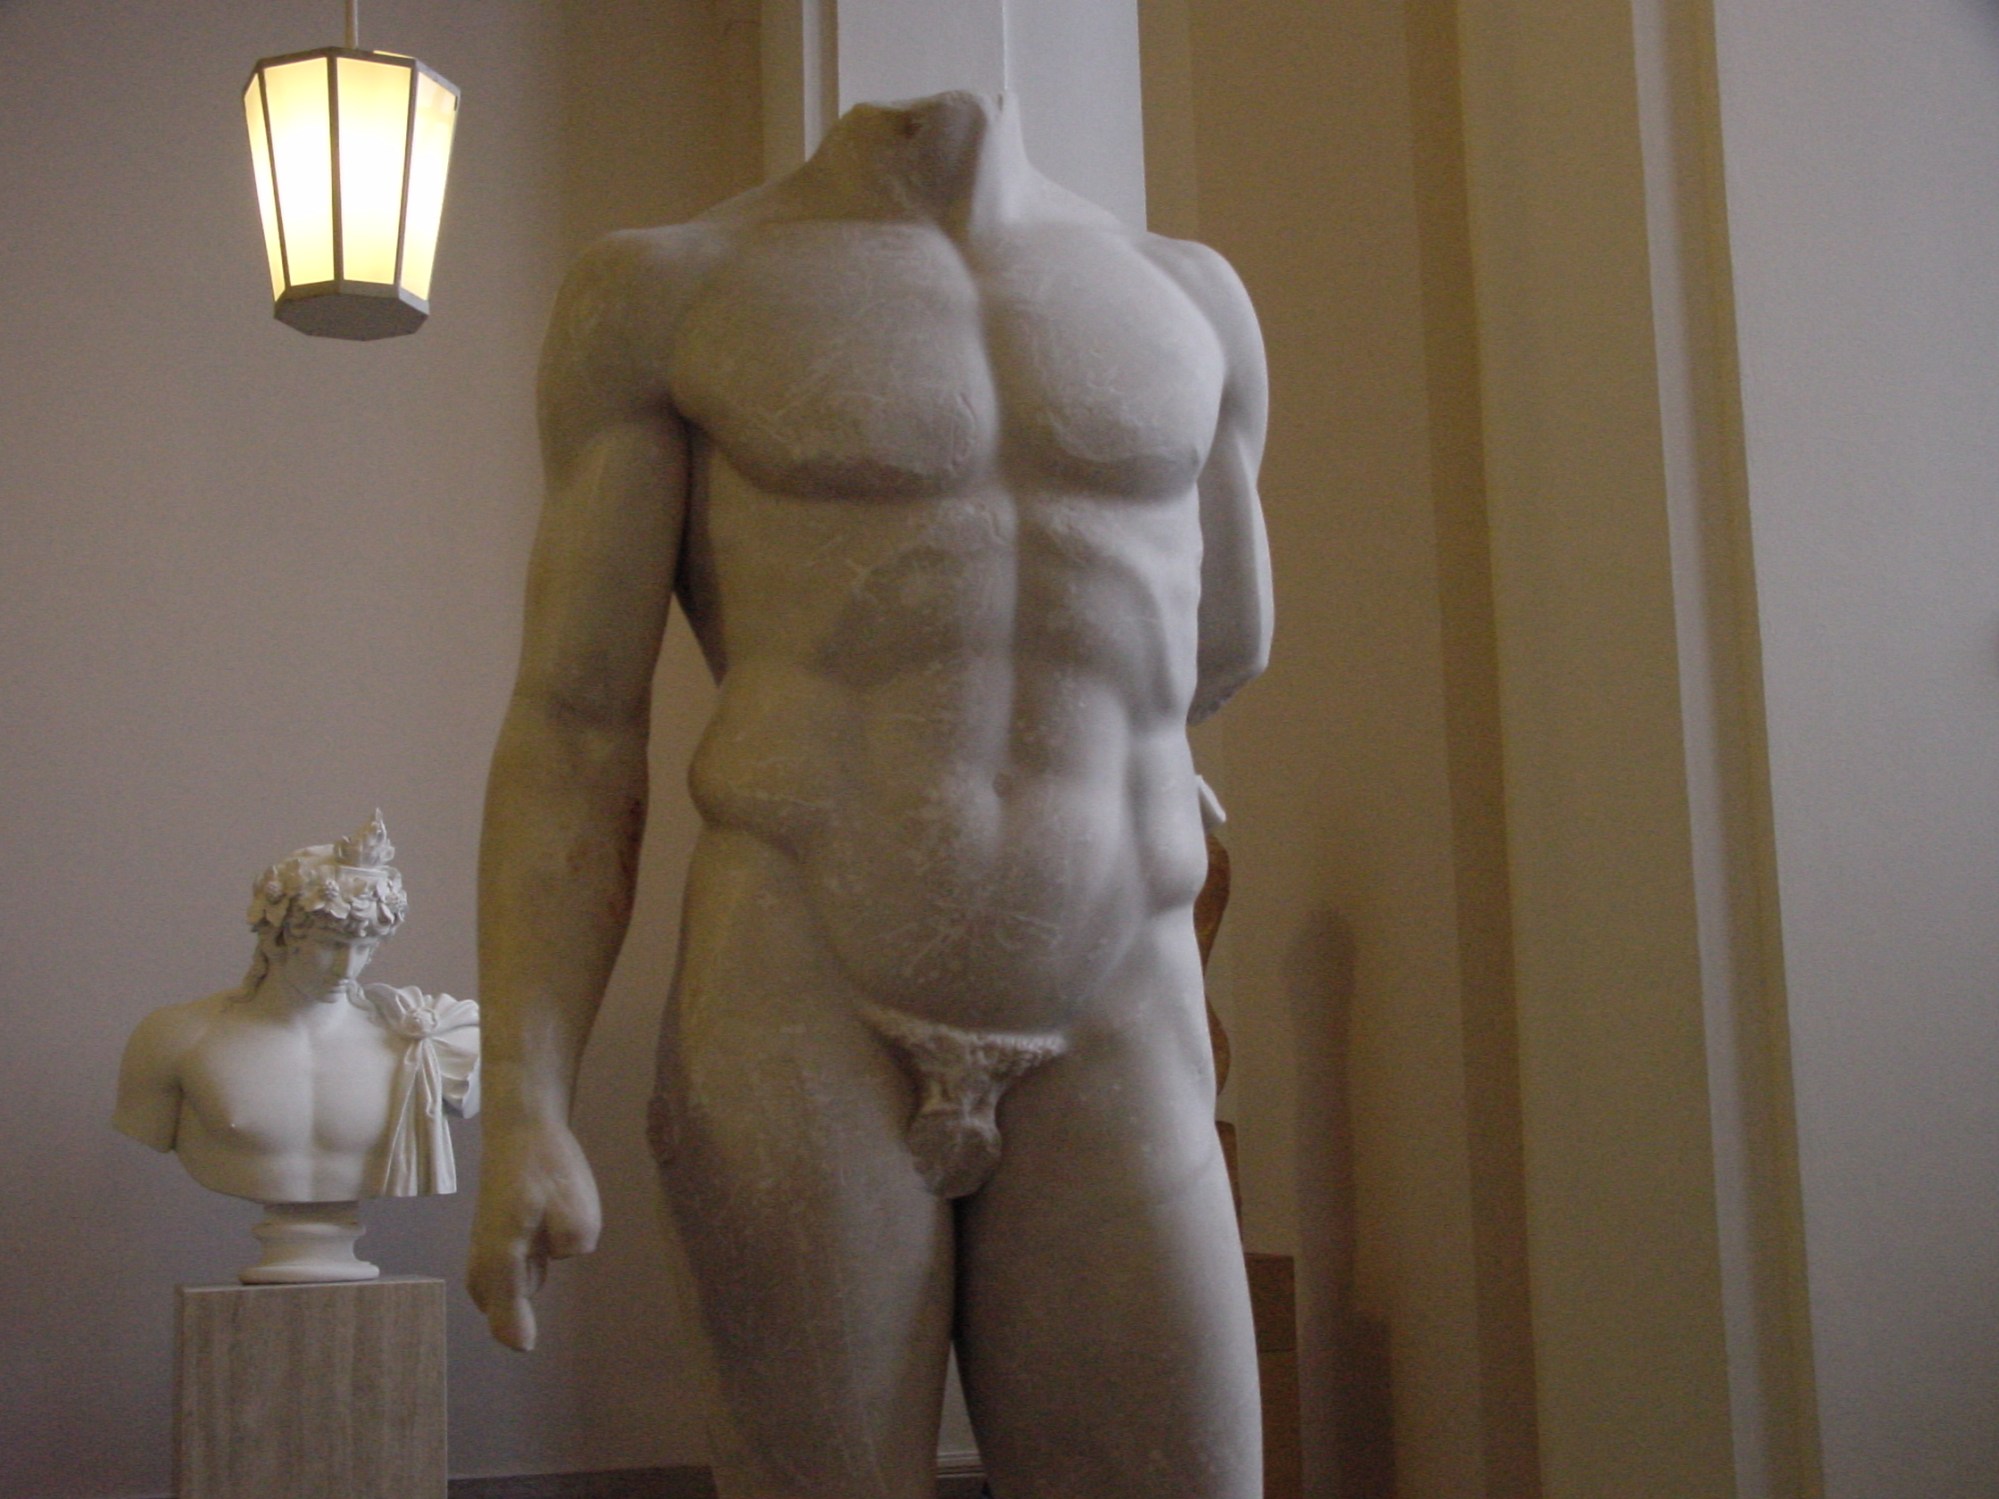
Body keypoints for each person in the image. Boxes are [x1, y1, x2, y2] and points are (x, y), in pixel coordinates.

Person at [469, 90, 1272, 1497]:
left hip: (1117, 1000)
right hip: (801, 992)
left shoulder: (1191, 299)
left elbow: (1222, 648)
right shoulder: (668, 290)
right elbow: (574, 724)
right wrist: (521, 1100)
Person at [114, 813, 479, 1212]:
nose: (347, 968)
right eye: (329, 944)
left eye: (365, 947)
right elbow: (146, 1128)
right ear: (278, 937)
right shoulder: (175, 1037)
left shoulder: (424, 1037)